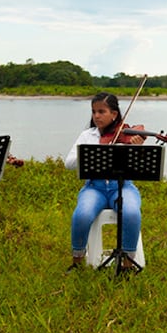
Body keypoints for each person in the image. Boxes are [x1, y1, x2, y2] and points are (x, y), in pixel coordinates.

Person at [64, 92, 144, 271]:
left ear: (114, 114)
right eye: (94, 112)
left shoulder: (126, 136)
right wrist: (89, 153)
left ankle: (127, 265)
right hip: (95, 188)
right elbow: (68, 164)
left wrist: (136, 149)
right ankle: (77, 262)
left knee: (131, 213)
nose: (96, 116)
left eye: (101, 112)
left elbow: (138, 167)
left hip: (122, 186)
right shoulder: (87, 135)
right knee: (82, 215)